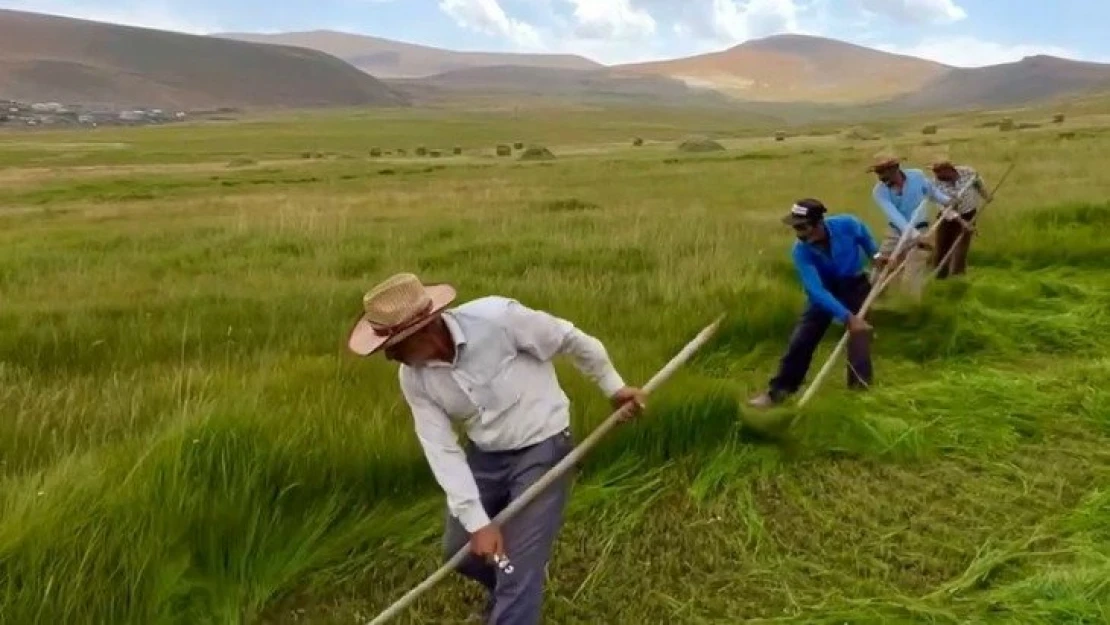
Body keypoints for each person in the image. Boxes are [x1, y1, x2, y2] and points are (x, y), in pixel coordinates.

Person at [347, 272, 646, 625]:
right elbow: (440, 448)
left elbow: (569, 339)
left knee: (517, 565)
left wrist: (614, 388)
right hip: (487, 454)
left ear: (425, 329)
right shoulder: (414, 377)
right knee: (461, 552)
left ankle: (515, 594)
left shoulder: (497, 319)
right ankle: (514, 589)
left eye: (394, 345)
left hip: (544, 445)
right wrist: (477, 524)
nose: (390, 356)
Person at [748, 199, 880, 409]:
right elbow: (815, 290)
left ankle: (860, 392)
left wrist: (876, 255)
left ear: (818, 223)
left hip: (855, 285)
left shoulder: (847, 224)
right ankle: (778, 393)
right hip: (824, 292)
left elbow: (863, 235)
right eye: (795, 227)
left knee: (859, 335)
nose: (798, 233)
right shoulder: (801, 251)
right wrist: (846, 316)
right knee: (801, 340)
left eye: (802, 227)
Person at [868, 149, 954, 299]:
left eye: (883, 172)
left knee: (912, 274)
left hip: (921, 229)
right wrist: (913, 235)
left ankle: (911, 307)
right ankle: (877, 300)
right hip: (895, 231)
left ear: (895, 168)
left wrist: (947, 201)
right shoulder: (879, 192)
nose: (880, 177)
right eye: (878, 172)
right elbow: (895, 216)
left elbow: (931, 193)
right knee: (881, 267)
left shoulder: (917, 176)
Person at [929, 153, 992, 278]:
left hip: (968, 213)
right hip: (947, 217)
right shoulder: (934, 184)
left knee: (961, 248)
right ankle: (940, 276)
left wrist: (986, 196)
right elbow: (944, 207)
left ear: (949, 170)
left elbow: (978, 184)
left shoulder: (968, 173)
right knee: (942, 247)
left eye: (939, 172)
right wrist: (962, 222)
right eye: (935, 172)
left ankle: (958, 277)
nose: (936, 175)